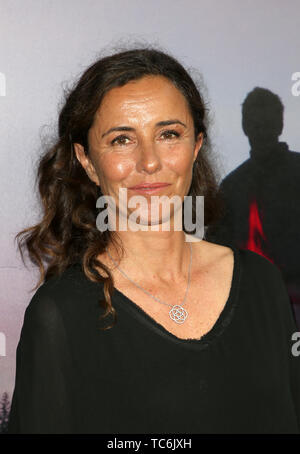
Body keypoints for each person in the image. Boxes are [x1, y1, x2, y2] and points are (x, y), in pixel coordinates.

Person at [7, 46, 300, 434]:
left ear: (196, 146)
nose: (149, 161)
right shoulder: (60, 314)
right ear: (88, 161)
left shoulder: (263, 284)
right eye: (121, 140)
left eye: (168, 134)